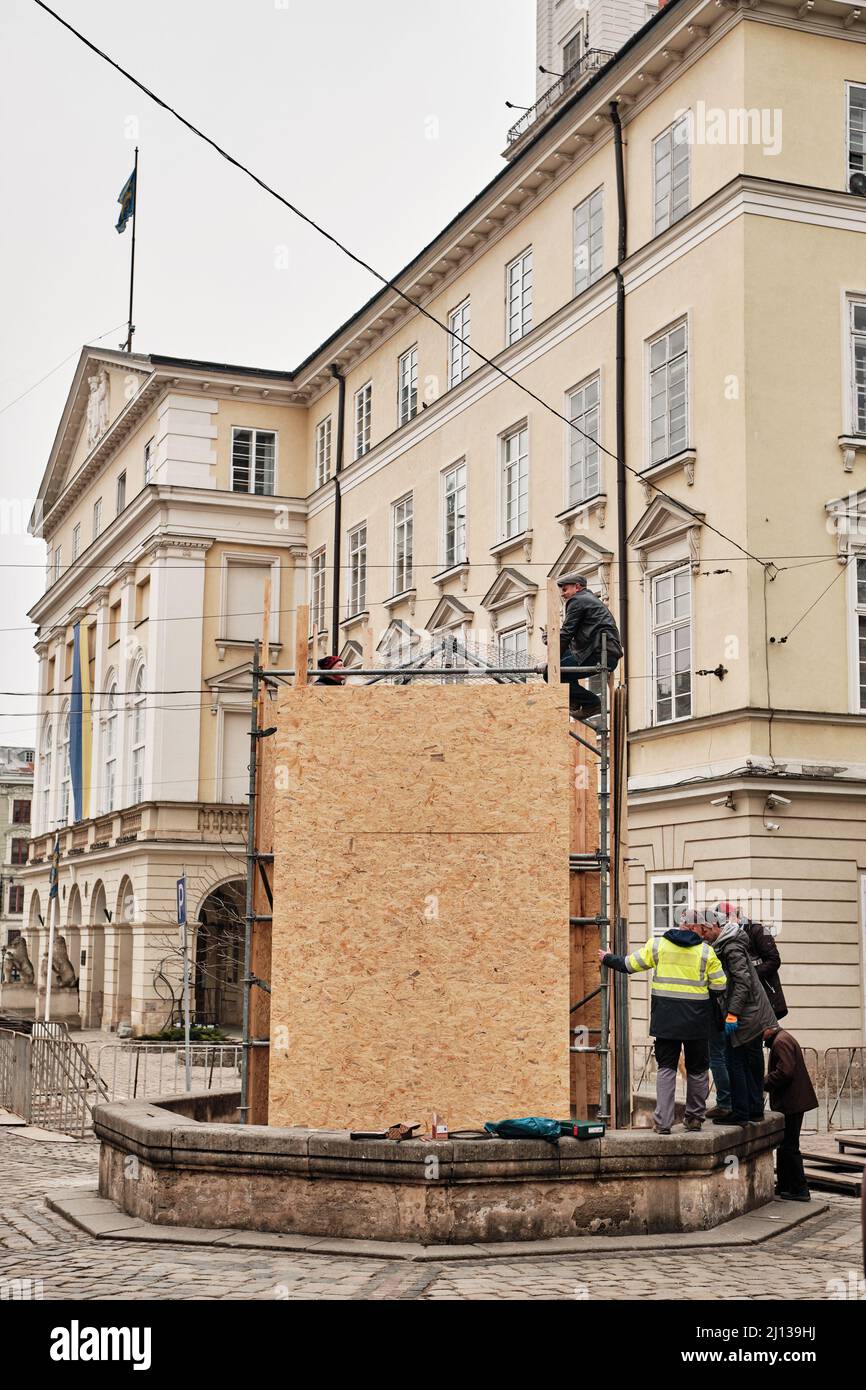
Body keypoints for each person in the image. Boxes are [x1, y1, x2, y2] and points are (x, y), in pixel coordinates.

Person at [599, 907, 726, 1135]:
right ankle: (695, 1117)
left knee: (666, 1069)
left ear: (680, 924)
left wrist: (607, 958)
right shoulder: (707, 953)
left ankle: (663, 1123)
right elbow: (720, 985)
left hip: (666, 1020)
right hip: (696, 1022)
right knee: (698, 1070)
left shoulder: (658, 945)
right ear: (696, 928)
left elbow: (629, 965)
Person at [696, 909, 778, 1127]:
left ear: (715, 927)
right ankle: (754, 1110)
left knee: (736, 1061)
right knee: (751, 1060)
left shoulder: (731, 946)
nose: (703, 935)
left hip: (747, 1014)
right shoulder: (729, 942)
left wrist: (732, 1013)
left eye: (704, 930)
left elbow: (742, 982)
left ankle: (742, 1113)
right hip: (752, 1012)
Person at [549, 572, 622, 718]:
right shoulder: (588, 599)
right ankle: (575, 701)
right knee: (562, 661)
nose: (563, 594)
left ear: (577, 587)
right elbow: (570, 637)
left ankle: (591, 703)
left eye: (565, 589)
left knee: (551, 672)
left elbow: (567, 633)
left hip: (598, 652)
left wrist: (552, 651)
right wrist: (553, 641)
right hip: (602, 651)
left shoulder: (576, 601)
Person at [763, 1024, 818, 1202]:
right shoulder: (781, 1039)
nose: (760, 1037)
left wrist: (763, 1082)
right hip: (791, 1102)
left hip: (792, 1102)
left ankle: (800, 1188)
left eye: (760, 1032)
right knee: (784, 1145)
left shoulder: (781, 1041)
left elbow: (785, 1072)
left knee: (790, 1146)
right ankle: (785, 1185)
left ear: (769, 1028)